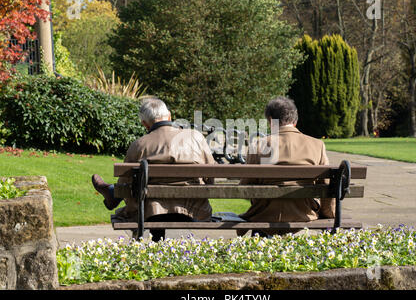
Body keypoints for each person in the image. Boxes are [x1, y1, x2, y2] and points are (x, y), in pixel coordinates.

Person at [92, 98, 215, 241]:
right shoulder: (196, 138)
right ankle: (111, 193)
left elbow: (125, 185)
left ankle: (111, 194)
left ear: (145, 124)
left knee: (136, 193)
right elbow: (210, 176)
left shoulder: (139, 145)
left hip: (150, 212)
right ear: (169, 115)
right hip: (195, 211)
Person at [237, 96, 335, 237]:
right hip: (304, 215)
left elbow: (246, 188)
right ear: (294, 121)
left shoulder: (258, 145)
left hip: (265, 215)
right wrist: (329, 215)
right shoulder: (317, 145)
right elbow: (326, 185)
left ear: (271, 120)